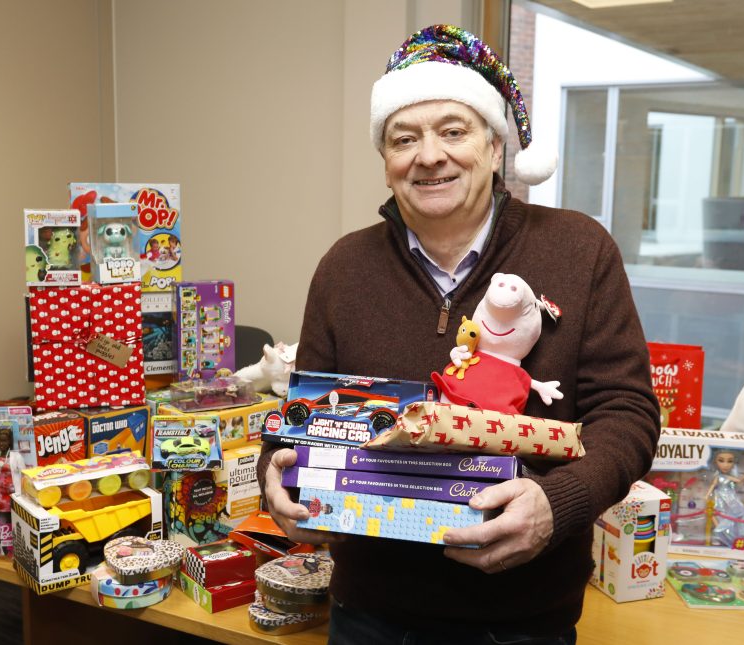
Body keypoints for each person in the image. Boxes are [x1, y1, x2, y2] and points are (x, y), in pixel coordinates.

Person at [257, 24, 660, 645]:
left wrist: (560, 505)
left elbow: (627, 413)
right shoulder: (345, 266)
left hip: (522, 620)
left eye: (453, 130)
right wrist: (275, 477)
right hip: (368, 615)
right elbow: (303, 414)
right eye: (404, 138)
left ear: (496, 147)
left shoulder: (579, 249)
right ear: (386, 161)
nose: (429, 155)